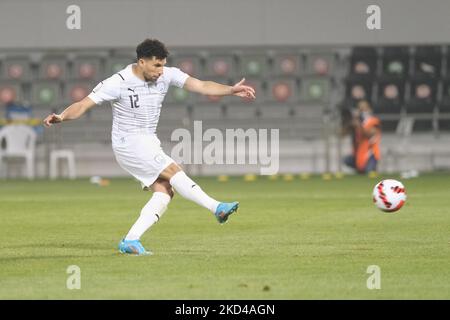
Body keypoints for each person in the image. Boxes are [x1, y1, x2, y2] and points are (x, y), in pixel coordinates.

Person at [43, 39, 256, 255]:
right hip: (129, 143)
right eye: (156, 66)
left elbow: (201, 85)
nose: (160, 71)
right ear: (141, 62)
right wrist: (61, 116)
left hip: (148, 141)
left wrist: (231, 90)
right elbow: (83, 104)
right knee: (173, 170)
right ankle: (216, 207)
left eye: (163, 65)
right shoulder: (118, 82)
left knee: (164, 191)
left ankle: (130, 240)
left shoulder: (167, 74)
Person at [342, 100, 381, 174]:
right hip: (359, 152)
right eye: (360, 109)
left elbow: (369, 134)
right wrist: (348, 122)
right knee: (346, 160)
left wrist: (359, 125)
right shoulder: (357, 120)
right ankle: (359, 169)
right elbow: (343, 134)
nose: (362, 111)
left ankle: (365, 168)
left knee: (368, 171)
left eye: (364, 108)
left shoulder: (374, 121)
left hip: (371, 152)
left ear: (369, 109)